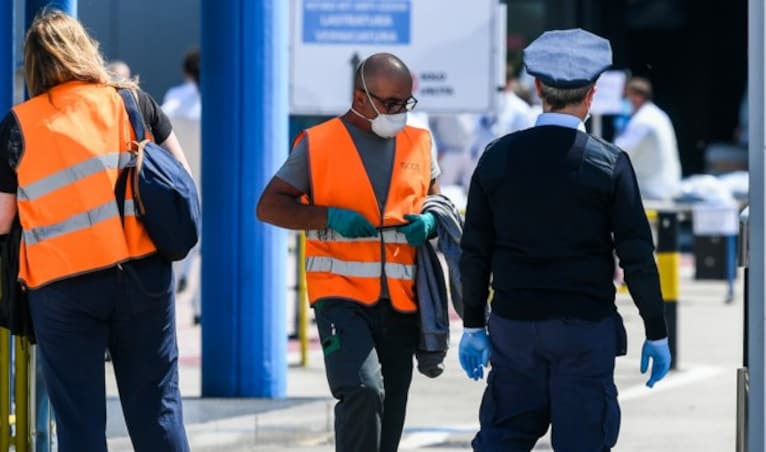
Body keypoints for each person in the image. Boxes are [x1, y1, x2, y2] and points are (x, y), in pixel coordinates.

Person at [458, 29, 672, 451]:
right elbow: (637, 256)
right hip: (583, 329)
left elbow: (474, 251)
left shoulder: (496, 157)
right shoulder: (608, 164)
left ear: (538, 88)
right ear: (592, 95)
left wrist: (471, 324)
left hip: (513, 327)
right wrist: (656, 331)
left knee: (502, 437)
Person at [0, 11, 192, 451]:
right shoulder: (132, 102)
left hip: (62, 291)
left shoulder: (19, 126)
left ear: (33, 65)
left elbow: (3, 221)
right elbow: (180, 178)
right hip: (142, 277)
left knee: (80, 424)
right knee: (158, 411)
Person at [257, 53, 440, 452]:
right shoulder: (319, 143)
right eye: (390, 103)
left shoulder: (420, 142)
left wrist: (430, 223)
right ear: (361, 98)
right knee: (362, 391)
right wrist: (328, 217)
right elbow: (269, 206)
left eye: (405, 103)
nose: (399, 113)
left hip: (401, 302)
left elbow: (436, 205)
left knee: (391, 408)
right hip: (340, 296)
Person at [162, 50, 202, 319]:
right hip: (211, 179)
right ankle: (201, 307)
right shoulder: (220, 100)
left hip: (180, 179)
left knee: (177, 240)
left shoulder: (174, 99)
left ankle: (174, 293)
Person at [614, 77, 682, 200]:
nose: (624, 100)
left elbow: (619, 155)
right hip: (664, 185)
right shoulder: (656, 114)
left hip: (651, 190)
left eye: (627, 96)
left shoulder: (643, 121)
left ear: (638, 97)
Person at [469, 65, 542, 179]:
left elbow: (526, 147)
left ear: (509, 84)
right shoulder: (481, 105)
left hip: (508, 174)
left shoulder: (521, 111)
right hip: (478, 170)